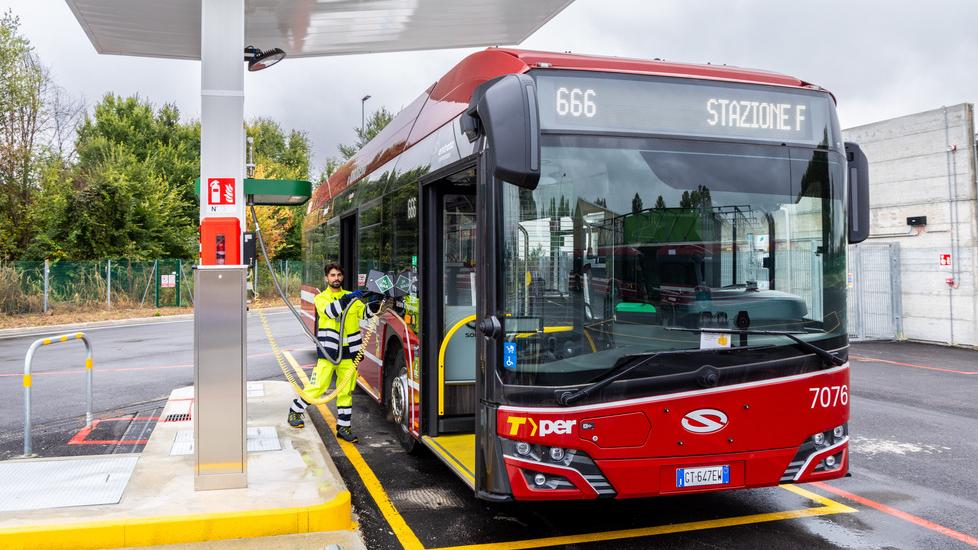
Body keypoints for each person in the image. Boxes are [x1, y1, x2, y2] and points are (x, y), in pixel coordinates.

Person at [288, 262, 367, 443]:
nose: (336, 278)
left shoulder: (351, 297)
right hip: (329, 352)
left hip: (350, 353)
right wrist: (349, 299)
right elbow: (331, 312)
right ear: (326, 278)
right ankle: (295, 411)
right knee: (319, 386)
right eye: (332, 275)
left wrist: (380, 304)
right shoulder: (321, 298)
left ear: (342, 277)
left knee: (346, 390)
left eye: (339, 275)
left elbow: (365, 314)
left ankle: (344, 427)